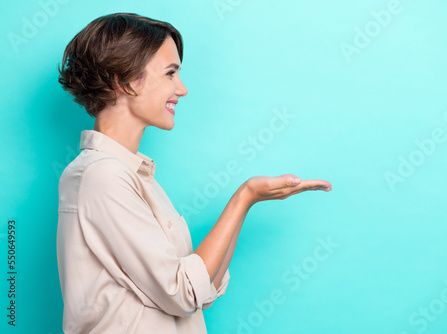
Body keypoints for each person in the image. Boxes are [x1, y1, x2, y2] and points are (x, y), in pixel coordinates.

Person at [56, 12, 332, 334]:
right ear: (125, 79)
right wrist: (244, 197)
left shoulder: (133, 175)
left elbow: (202, 290)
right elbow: (184, 293)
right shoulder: (102, 176)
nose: (182, 89)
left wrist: (249, 201)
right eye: (170, 73)